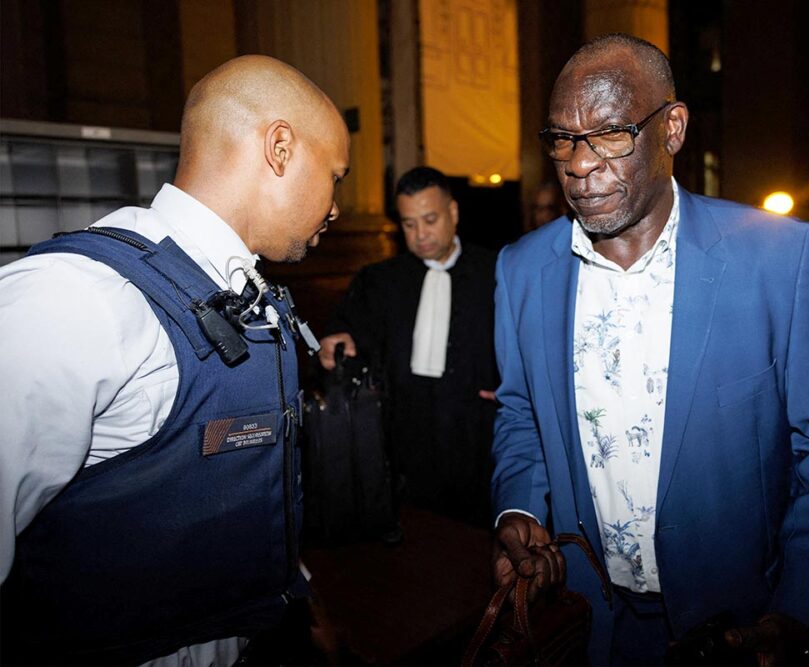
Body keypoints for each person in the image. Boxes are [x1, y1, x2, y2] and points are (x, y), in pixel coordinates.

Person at [490, 34, 809, 665]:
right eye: (562, 138)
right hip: (593, 622)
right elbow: (521, 415)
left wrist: (799, 609)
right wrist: (516, 506)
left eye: (612, 132)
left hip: (743, 622)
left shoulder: (780, 259)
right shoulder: (523, 270)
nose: (580, 164)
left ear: (672, 128)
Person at [0, 55, 350, 666]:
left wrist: (302, 594)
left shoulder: (249, 296)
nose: (336, 207)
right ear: (280, 148)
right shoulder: (74, 299)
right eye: (336, 177)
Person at [318, 166, 498, 526]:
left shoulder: (497, 272)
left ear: (453, 212)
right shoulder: (379, 281)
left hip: (477, 437)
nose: (420, 234)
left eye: (429, 219)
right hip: (404, 438)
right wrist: (335, 343)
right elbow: (346, 333)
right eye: (409, 224)